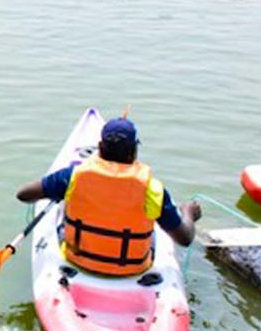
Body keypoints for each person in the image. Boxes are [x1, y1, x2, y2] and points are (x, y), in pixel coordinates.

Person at [15, 116, 202, 276]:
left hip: (78, 261)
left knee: (63, 212)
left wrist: (59, 190)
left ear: (100, 148)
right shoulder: (153, 189)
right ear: (134, 152)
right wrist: (188, 213)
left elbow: (24, 194)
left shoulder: (74, 176)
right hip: (132, 269)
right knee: (155, 227)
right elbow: (184, 239)